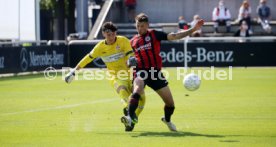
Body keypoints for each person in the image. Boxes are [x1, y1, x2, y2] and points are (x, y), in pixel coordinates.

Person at [120, 13, 204, 132]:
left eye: (142, 26)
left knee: (170, 104)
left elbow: (174, 36)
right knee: (137, 89)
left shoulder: (154, 34)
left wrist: (193, 29)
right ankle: (129, 117)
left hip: (155, 73)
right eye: (138, 26)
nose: (140, 28)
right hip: (141, 71)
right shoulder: (132, 41)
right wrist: (129, 62)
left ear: (147, 25)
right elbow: (127, 60)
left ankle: (167, 120)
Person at [64, 22, 146, 132]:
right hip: (115, 76)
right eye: (108, 35)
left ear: (115, 33)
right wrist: (74, 71)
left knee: (142, 99)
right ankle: (129, 113)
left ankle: (130, 119)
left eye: (112, 34)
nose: (111, 37)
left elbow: (130, 54)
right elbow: (87, 59)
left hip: (131, 74)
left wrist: (131, 58)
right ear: (103, 34)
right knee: (123, 91)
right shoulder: (100, 47)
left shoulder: (123, 40)